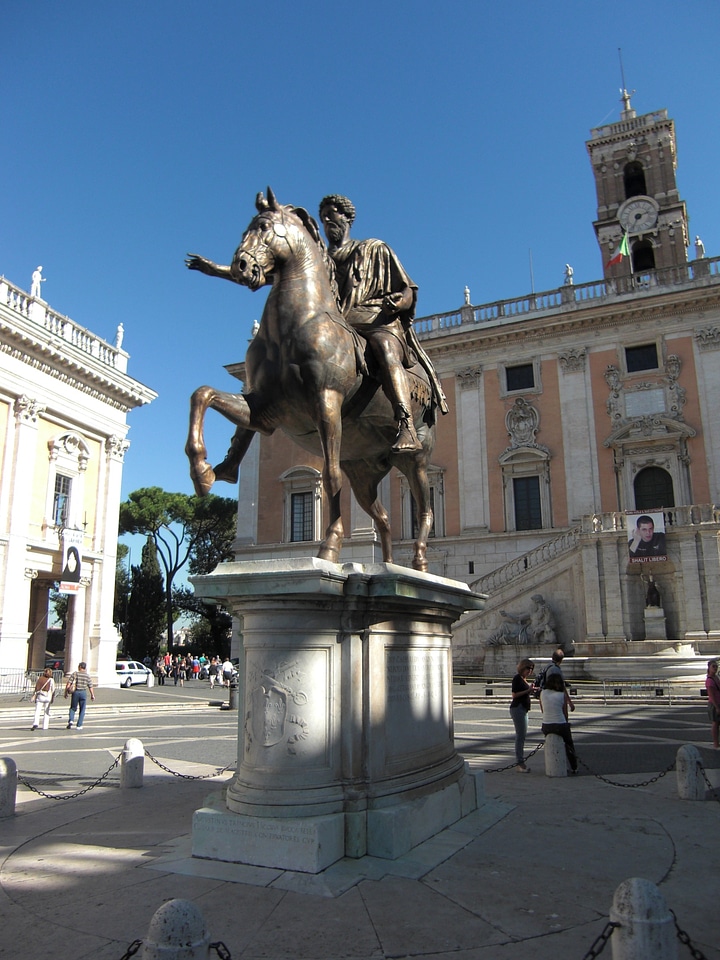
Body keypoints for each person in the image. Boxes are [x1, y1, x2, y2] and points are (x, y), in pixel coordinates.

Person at [318, 194, 448, 452]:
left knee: (386, 352)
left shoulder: (375, 249)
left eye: (332, 213)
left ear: (346, 217)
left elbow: (408, 288)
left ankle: (407, 425)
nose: (326, 219)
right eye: (323, 216)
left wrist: (400, 302)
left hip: (376, 319)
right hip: (339, 325)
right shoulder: (320, 259)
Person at [540, 672, 578, 773]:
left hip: (546, 725)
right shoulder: (562, 695)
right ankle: (574, 767)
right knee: (569, 744)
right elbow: (565, 714)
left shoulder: (542, 693)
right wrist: (566, 724)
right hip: (560, 724)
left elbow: (543, 710)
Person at [509, 658, 535, 772]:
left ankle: (520, 762)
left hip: (523, 708)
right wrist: (528, 690)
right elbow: (514, 695)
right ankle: (520, 763)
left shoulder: (524, 679)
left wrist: (532, 690)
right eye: (528, 668)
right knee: (520, 736)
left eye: (532, 668)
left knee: (522, 736)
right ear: (522, 667)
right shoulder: (517, 678)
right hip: (518, 708)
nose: (530, 670)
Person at [65, 662, 95, 730]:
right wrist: (92, 695)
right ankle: (79, 725)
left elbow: (68, 684)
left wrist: (66, 692)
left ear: (80, 667)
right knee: (82, 709)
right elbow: (90, 686)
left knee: (73, 707)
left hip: (75, 692)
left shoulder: (75, 674)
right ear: (85, 668)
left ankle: (71, 720)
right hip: (83, 692)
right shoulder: (87, 676)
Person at [705, 660, 720, 749]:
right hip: (714, 704)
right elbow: (711, 695)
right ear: (709, 668)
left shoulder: (716, 677)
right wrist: (717, 707)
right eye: (713, 666)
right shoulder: (710, 680)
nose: (715, 668)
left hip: (719, 702)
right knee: (715, 723)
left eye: (716, 666)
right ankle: (715, 743)